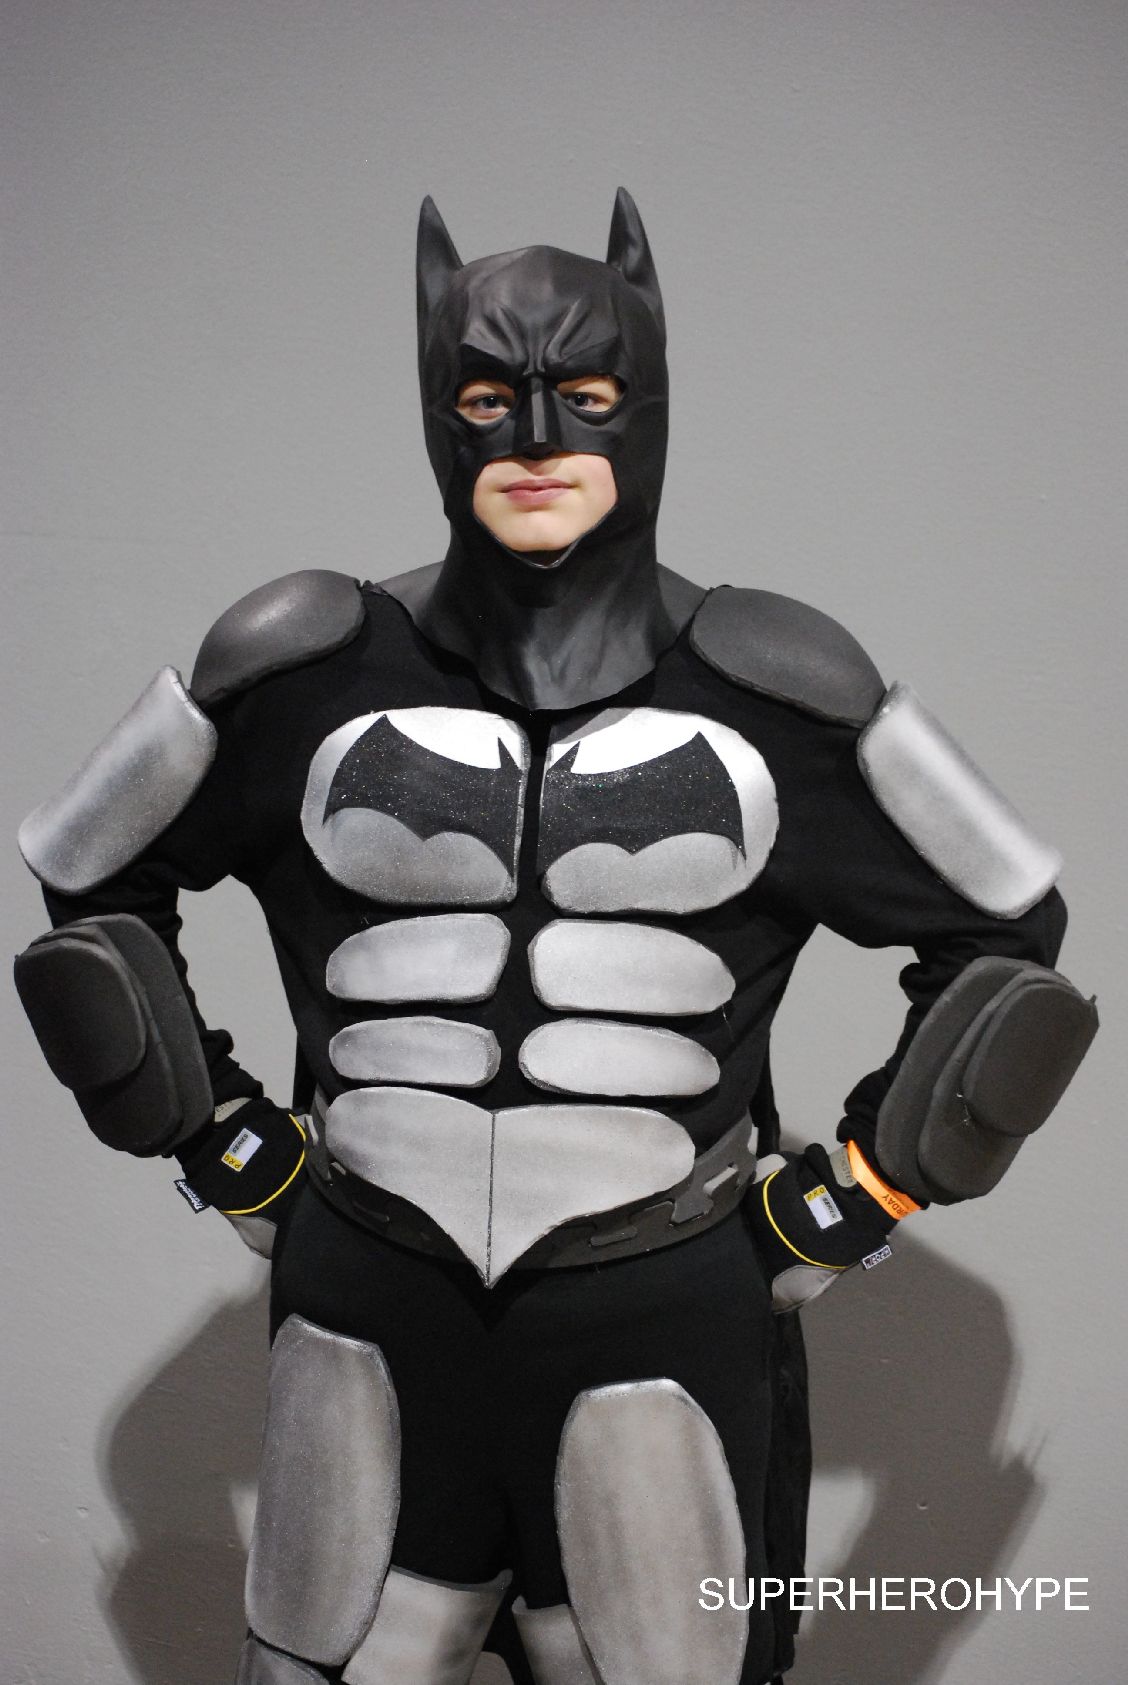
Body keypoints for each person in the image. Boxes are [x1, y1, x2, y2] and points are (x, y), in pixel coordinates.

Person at [14, 191, 1096, 1685]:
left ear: (649, 403)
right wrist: (226, 1149)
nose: (533, 434)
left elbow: (1012, 953)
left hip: (660, 1313)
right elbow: (88, 888)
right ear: (434, 412)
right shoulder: (298, 666)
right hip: (367, 1306)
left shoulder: (779, 689)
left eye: (583, 392)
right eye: (485, 396)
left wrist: (843, 1206)